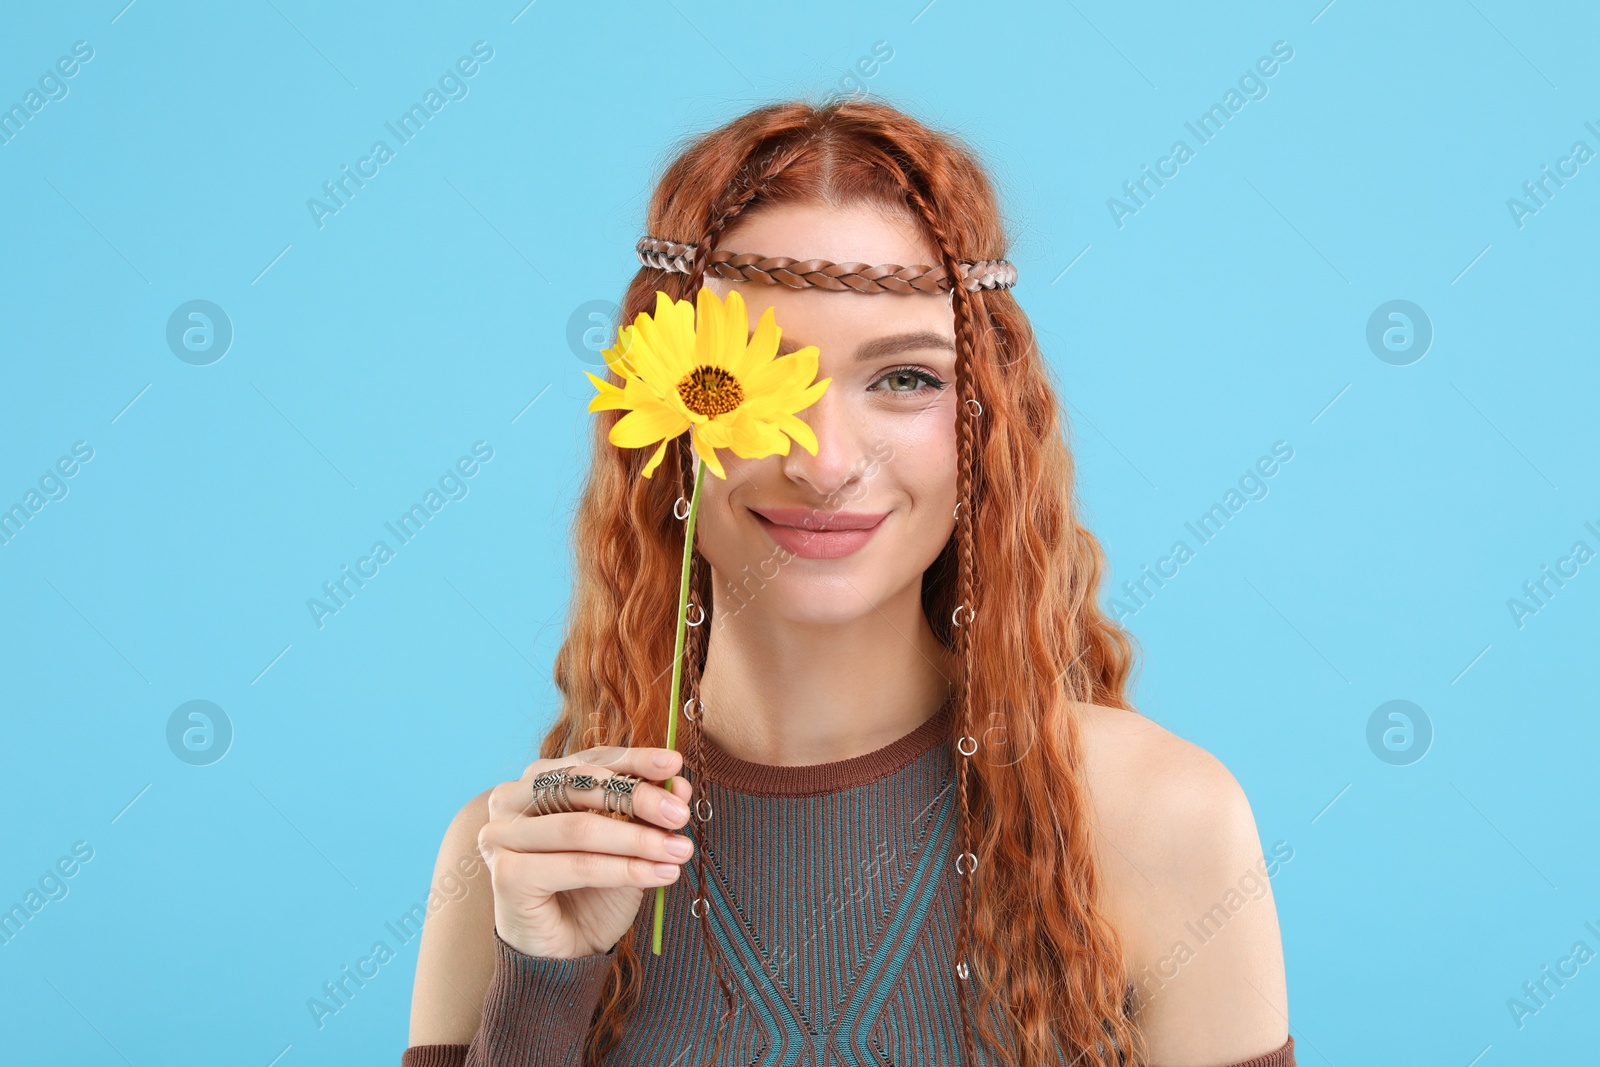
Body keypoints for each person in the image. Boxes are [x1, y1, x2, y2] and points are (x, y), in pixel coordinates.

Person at [401, 98, 1294, 1067]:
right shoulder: (518, 859)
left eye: (904, 378)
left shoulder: (1160, 816)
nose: (823, 462)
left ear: (988, 421)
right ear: (664, 424)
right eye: (745, 383)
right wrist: (542, 984)